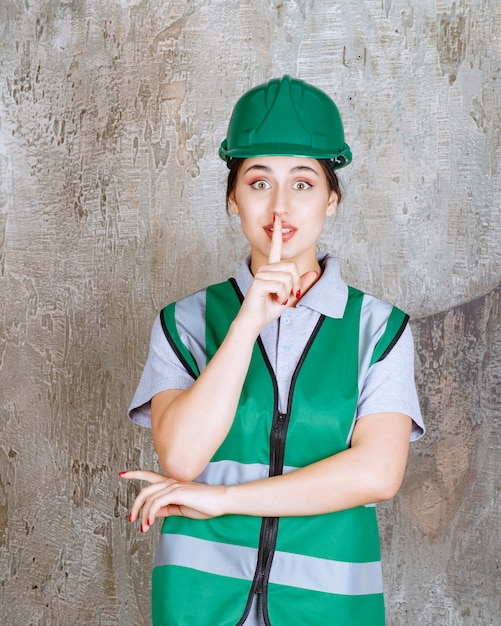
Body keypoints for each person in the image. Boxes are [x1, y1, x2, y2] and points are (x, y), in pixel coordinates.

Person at [121, 75, 424, 626]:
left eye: (303, 183)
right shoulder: (183, 323)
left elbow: (378, 473)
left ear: (332, 198)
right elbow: (182, 459)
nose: (280, 205)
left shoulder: (379, 329)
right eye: (259, 182)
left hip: (328, 611)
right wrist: (245, 324)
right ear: (233, 198)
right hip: (198, 605)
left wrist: (222, 499)